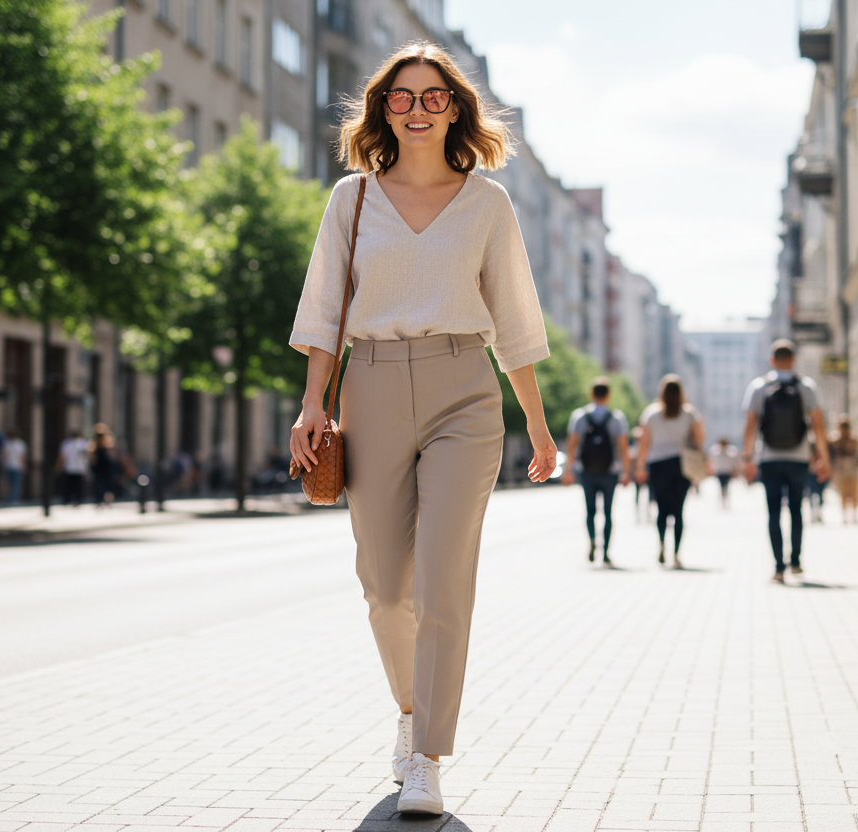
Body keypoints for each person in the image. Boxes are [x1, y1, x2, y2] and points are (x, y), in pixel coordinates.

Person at [287, 41, 555, 817]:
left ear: (455, 108)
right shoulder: (353, 199)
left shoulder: (488, 204)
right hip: (367, 388)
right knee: (383, 585)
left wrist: (537, 427)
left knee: (444, 579)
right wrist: (314, 404)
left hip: (463, 393)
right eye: (400, 98)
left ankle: (429, 758)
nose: (415, 109)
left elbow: (515, 321)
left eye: (431, 96)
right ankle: (409, 711)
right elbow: (323, 311)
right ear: (382, 110)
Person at [742, 339, 830, 583]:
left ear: (772, 360)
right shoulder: (805, 386)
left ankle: (778, 567)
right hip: (799, 458)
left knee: (772, 512)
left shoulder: (759, 387)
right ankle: (796, 561)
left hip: (769, 458)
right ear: (793, 360)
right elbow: (818, 425)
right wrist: (823, 457)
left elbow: (750, 425)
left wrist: (748, 457)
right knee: (796, 510)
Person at [635, 375, 705, 569]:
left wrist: (640, 466)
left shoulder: (651, 413)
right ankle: (676, 554)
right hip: (681, 465)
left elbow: (644, 443)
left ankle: (662, 546)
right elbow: (700, 439)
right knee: (679, 511)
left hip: (657, 465)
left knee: (662, 510)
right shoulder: (690, 413)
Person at [563, 377, 631, 565]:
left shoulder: (580, 416)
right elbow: (623, 447)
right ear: (608, 395)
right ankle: (606, 551)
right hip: (610, 471)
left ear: (591, 394)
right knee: (608, 513)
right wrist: (626, 472)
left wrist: (568, 469)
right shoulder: (617, 417)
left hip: (587, 471)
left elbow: (573, 445)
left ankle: (592, 540)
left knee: (590, 511)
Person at [829, 417, 858, 524]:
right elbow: (832, 455)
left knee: (854, 493)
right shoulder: (836, 441)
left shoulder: (854, 440)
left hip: (852, 470)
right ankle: (844, 515)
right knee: (843, 494)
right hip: (841, 471)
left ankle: (854, 514)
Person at [55, 429, 89, 507]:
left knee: (69, 485)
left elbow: (62, 457)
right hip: (78, 468)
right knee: (77, 486)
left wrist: (58, 466)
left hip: (70, 468)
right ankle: (77, 500)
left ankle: (68, 499)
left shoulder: (67, 444)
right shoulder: (82, 443)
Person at [88, 423, 116, 507]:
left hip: (100, 465)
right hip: (105, 465)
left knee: (100, 483)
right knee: (106, 483)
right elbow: (112, 453)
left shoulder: (95, 442)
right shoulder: (107, 441)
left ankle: (100, 499)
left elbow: (91, 454)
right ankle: (107, 499)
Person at [709, 437, 739, 509]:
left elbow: (733, 462)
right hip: (720, 472)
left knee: (726, 486)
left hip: (727, 471)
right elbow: (713, 461)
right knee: (722, 487)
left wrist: (735, 471)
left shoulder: (730, 452)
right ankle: (723, 501)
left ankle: (725, 500)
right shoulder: (716, 451)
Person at [2, 429, 27, 504]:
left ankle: (12, 498)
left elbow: (4, 455)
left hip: (9, 466)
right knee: (16, 483)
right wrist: (24, 466)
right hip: (17, 466)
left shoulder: (6, 443)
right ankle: (14, 499)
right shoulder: (20, 444)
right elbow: (22, 456)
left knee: (11, 483)